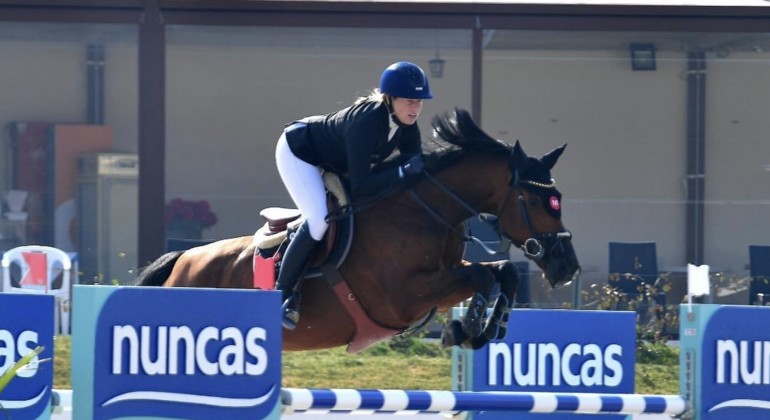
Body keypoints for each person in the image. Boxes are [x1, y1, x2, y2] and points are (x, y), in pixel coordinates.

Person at [274, 61, 433, 329]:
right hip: (299, 153)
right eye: (409, 101)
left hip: (334, 160)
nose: (415, 108)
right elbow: (362, 186)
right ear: (390, 99)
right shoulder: (367, 121)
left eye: (419, 101)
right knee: (318, 219)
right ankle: (282, 295)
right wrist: (404, 172)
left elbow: (414, 165)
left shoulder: (406, 125)